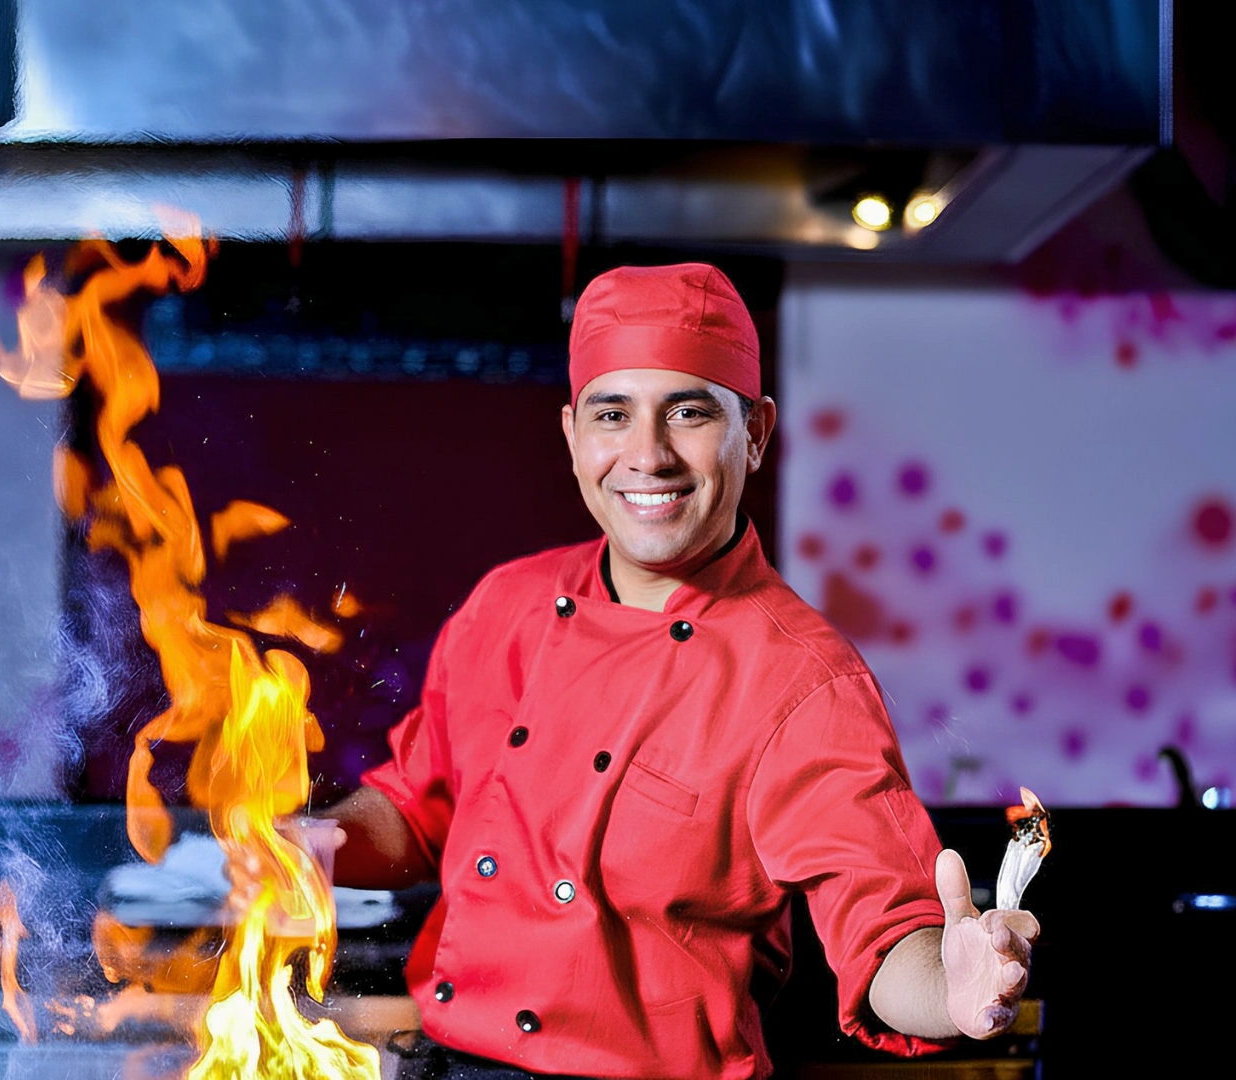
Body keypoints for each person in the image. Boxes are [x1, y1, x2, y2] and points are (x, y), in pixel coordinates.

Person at [325, 263, 1038, 1079]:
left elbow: (886, 931)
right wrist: (299, 849)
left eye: (689, 412)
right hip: (445, 1064)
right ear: (573, 435)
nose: (648, 455)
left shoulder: (803, 679)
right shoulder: (506, 604)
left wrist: (950, 988)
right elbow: (415, 807)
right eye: (613, 414)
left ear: (756, 432)